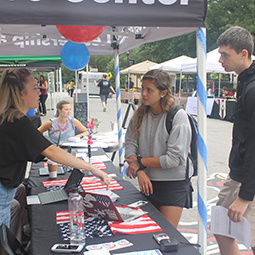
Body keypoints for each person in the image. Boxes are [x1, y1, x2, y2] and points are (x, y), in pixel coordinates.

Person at [0, 68, 110, 229]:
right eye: (35, 88)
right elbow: (50, 150)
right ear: (21, 94)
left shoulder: (9, 116)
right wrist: (91, 168)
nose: (40, 92)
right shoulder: (16, 121)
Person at [125, 69, 193, 228]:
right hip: (148, 182)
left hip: (173, 184)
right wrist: (140, 170)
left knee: (167, 234)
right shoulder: (139, 114)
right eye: (142, 88)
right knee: (149, 231)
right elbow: (130, 144)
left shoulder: (178, 115)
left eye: (149, 90)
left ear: (163, 93)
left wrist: (140, 163)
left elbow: (174, 159)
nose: (143, 93)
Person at [214, 26, 255, 255]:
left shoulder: (252, 87)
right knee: (221, 228)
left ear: (244, 54)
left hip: (249, 177)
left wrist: (245, 196)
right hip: (239, 172)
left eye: (225, 54)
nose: (220, 59)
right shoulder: (244, 80)